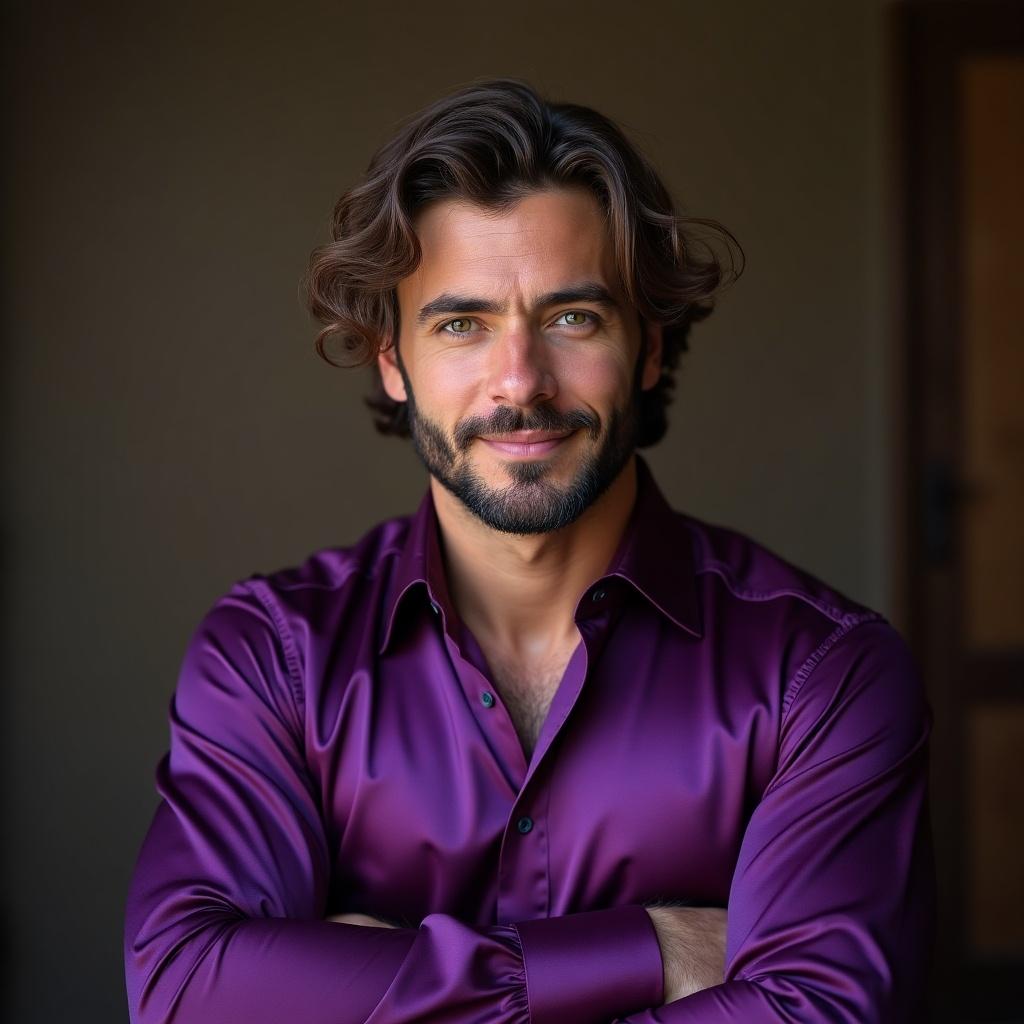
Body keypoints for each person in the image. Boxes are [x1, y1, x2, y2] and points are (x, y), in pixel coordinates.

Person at [123, 78, 935, 1023]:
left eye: (571, 318)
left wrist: (361, 981)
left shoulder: (823, 674)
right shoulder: (272, 657)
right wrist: (652, 951)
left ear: (650, 349)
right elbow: (185, 987)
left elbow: (822, 1017)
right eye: (462, 324)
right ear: (393, 360)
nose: (521, 381)